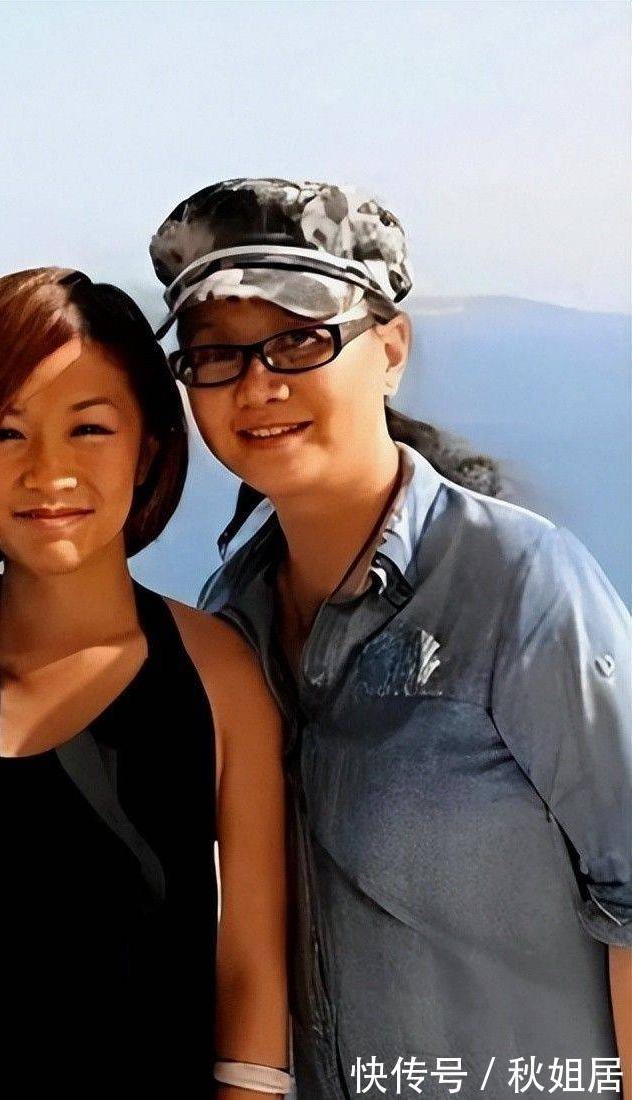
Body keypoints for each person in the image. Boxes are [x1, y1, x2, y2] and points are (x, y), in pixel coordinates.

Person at [149, 178, 631, 1097]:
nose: (258, 383)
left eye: (301, 339)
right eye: (216, 354)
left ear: (391, 349)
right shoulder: (233, 620)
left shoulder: (517, 589)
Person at [0, 268, 292, 1098]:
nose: (49, 471)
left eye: (89, 429)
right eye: (6, 433)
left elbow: (252, 974)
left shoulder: (219, 678)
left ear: (149, 449)